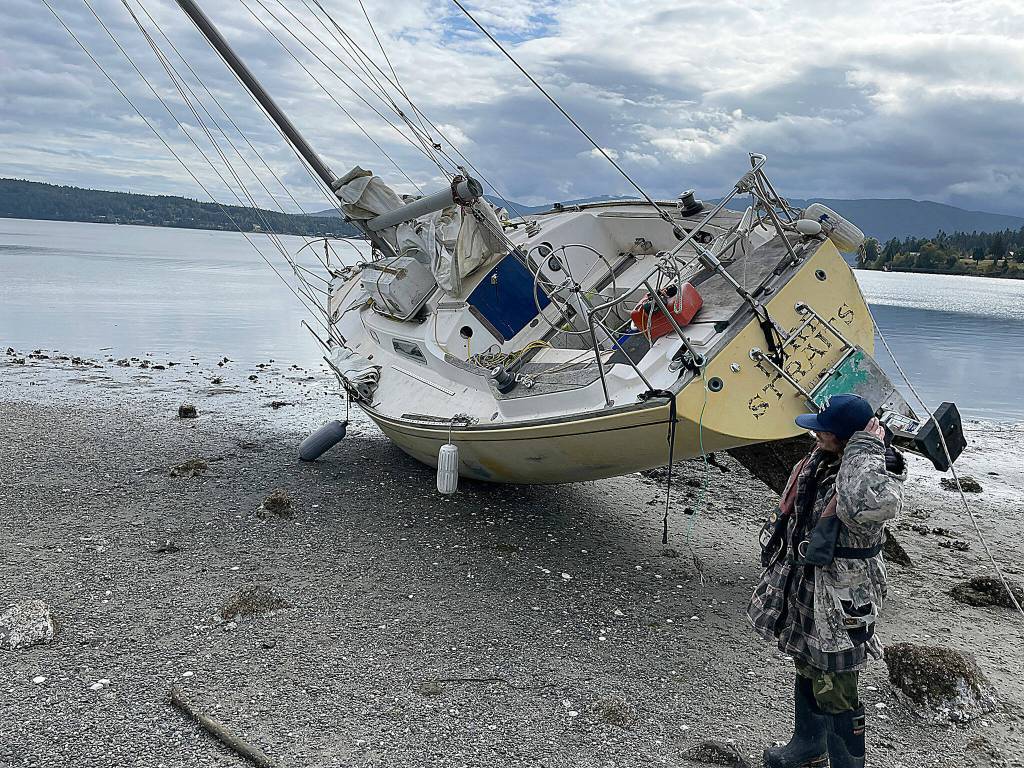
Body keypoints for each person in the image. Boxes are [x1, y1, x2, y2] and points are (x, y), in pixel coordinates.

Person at [747, 393, 906, 768]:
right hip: (807, 582)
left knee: (837, 685)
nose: (816, 435)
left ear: (850, 439)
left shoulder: (876, 474)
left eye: (824, 431)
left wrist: (867, 448)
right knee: (805, 660)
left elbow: (862, 507)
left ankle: (846, 763)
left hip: (843, 594)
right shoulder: (824, 461)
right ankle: (807, 746)